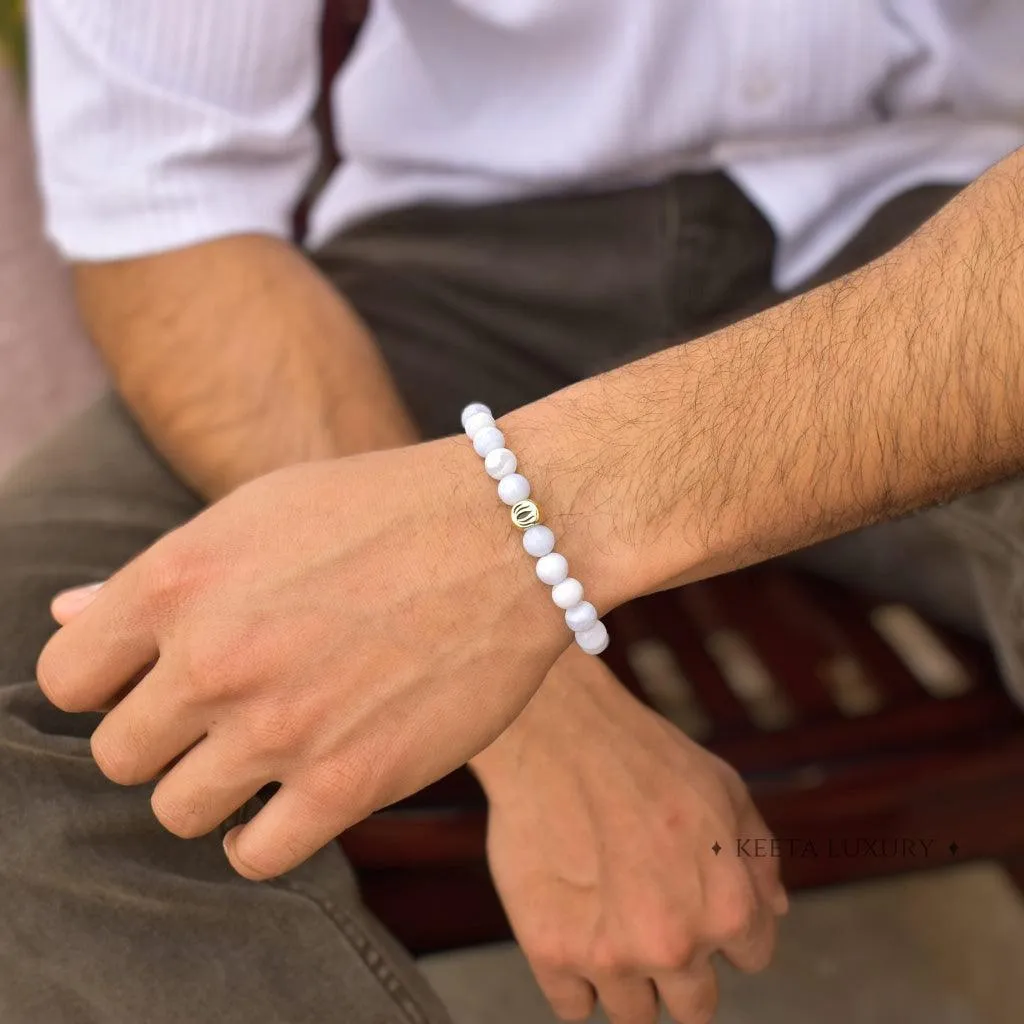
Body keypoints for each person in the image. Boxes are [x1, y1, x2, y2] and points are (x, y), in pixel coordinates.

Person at [4, 2, 1024, 1022]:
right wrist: (542, 723)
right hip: (447, 262)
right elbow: (169, 198)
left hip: (959, 236)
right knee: (35, 666)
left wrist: (511, 542)